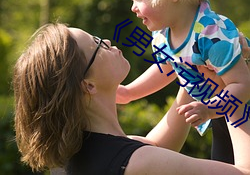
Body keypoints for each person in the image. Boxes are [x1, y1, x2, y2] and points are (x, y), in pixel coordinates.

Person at [13, 23, 250, 175]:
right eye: (97, 45)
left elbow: (157, 146)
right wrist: (235, 86)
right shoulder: (138, 163)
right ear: (88, 85)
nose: (106, 41)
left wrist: (191, 65)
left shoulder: (73, 159)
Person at [118, 0, 250, 164]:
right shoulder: (163, 34)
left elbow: (243, 84)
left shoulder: (210, 33)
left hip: (239, 109)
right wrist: (130, 92)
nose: (133, 8)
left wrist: (209, 109)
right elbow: (167, 68)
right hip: (220, 113)